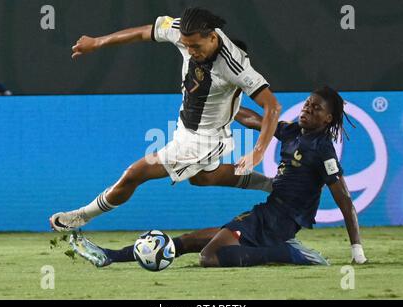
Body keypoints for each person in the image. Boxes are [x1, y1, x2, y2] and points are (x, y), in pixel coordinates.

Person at [69, 86, 368, 267]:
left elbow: (344, 199)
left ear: (328, 119)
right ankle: (111, 256)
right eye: (307, 103)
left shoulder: (324, 150)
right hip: (267, 214)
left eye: (316, 108)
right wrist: (224, 102)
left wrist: (357, 249)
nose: (308, 108)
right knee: (187, 242)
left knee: (210, 257)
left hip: (279, 222)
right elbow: (253, 119)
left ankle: (286, 253)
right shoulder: (292, 131)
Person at [50, 8, 282, 231]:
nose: (190, 51)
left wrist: (258, 152)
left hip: (204, 141)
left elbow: (272, 106)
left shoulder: (234, 64)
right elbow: (144, 32)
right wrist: (97, 42)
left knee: (136, 173)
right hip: (185, 128)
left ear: (212, 37)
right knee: (203, 178)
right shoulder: (183, 29)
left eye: (196, 46)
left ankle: (82, 216)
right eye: (186, 45)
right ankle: (275, 185)